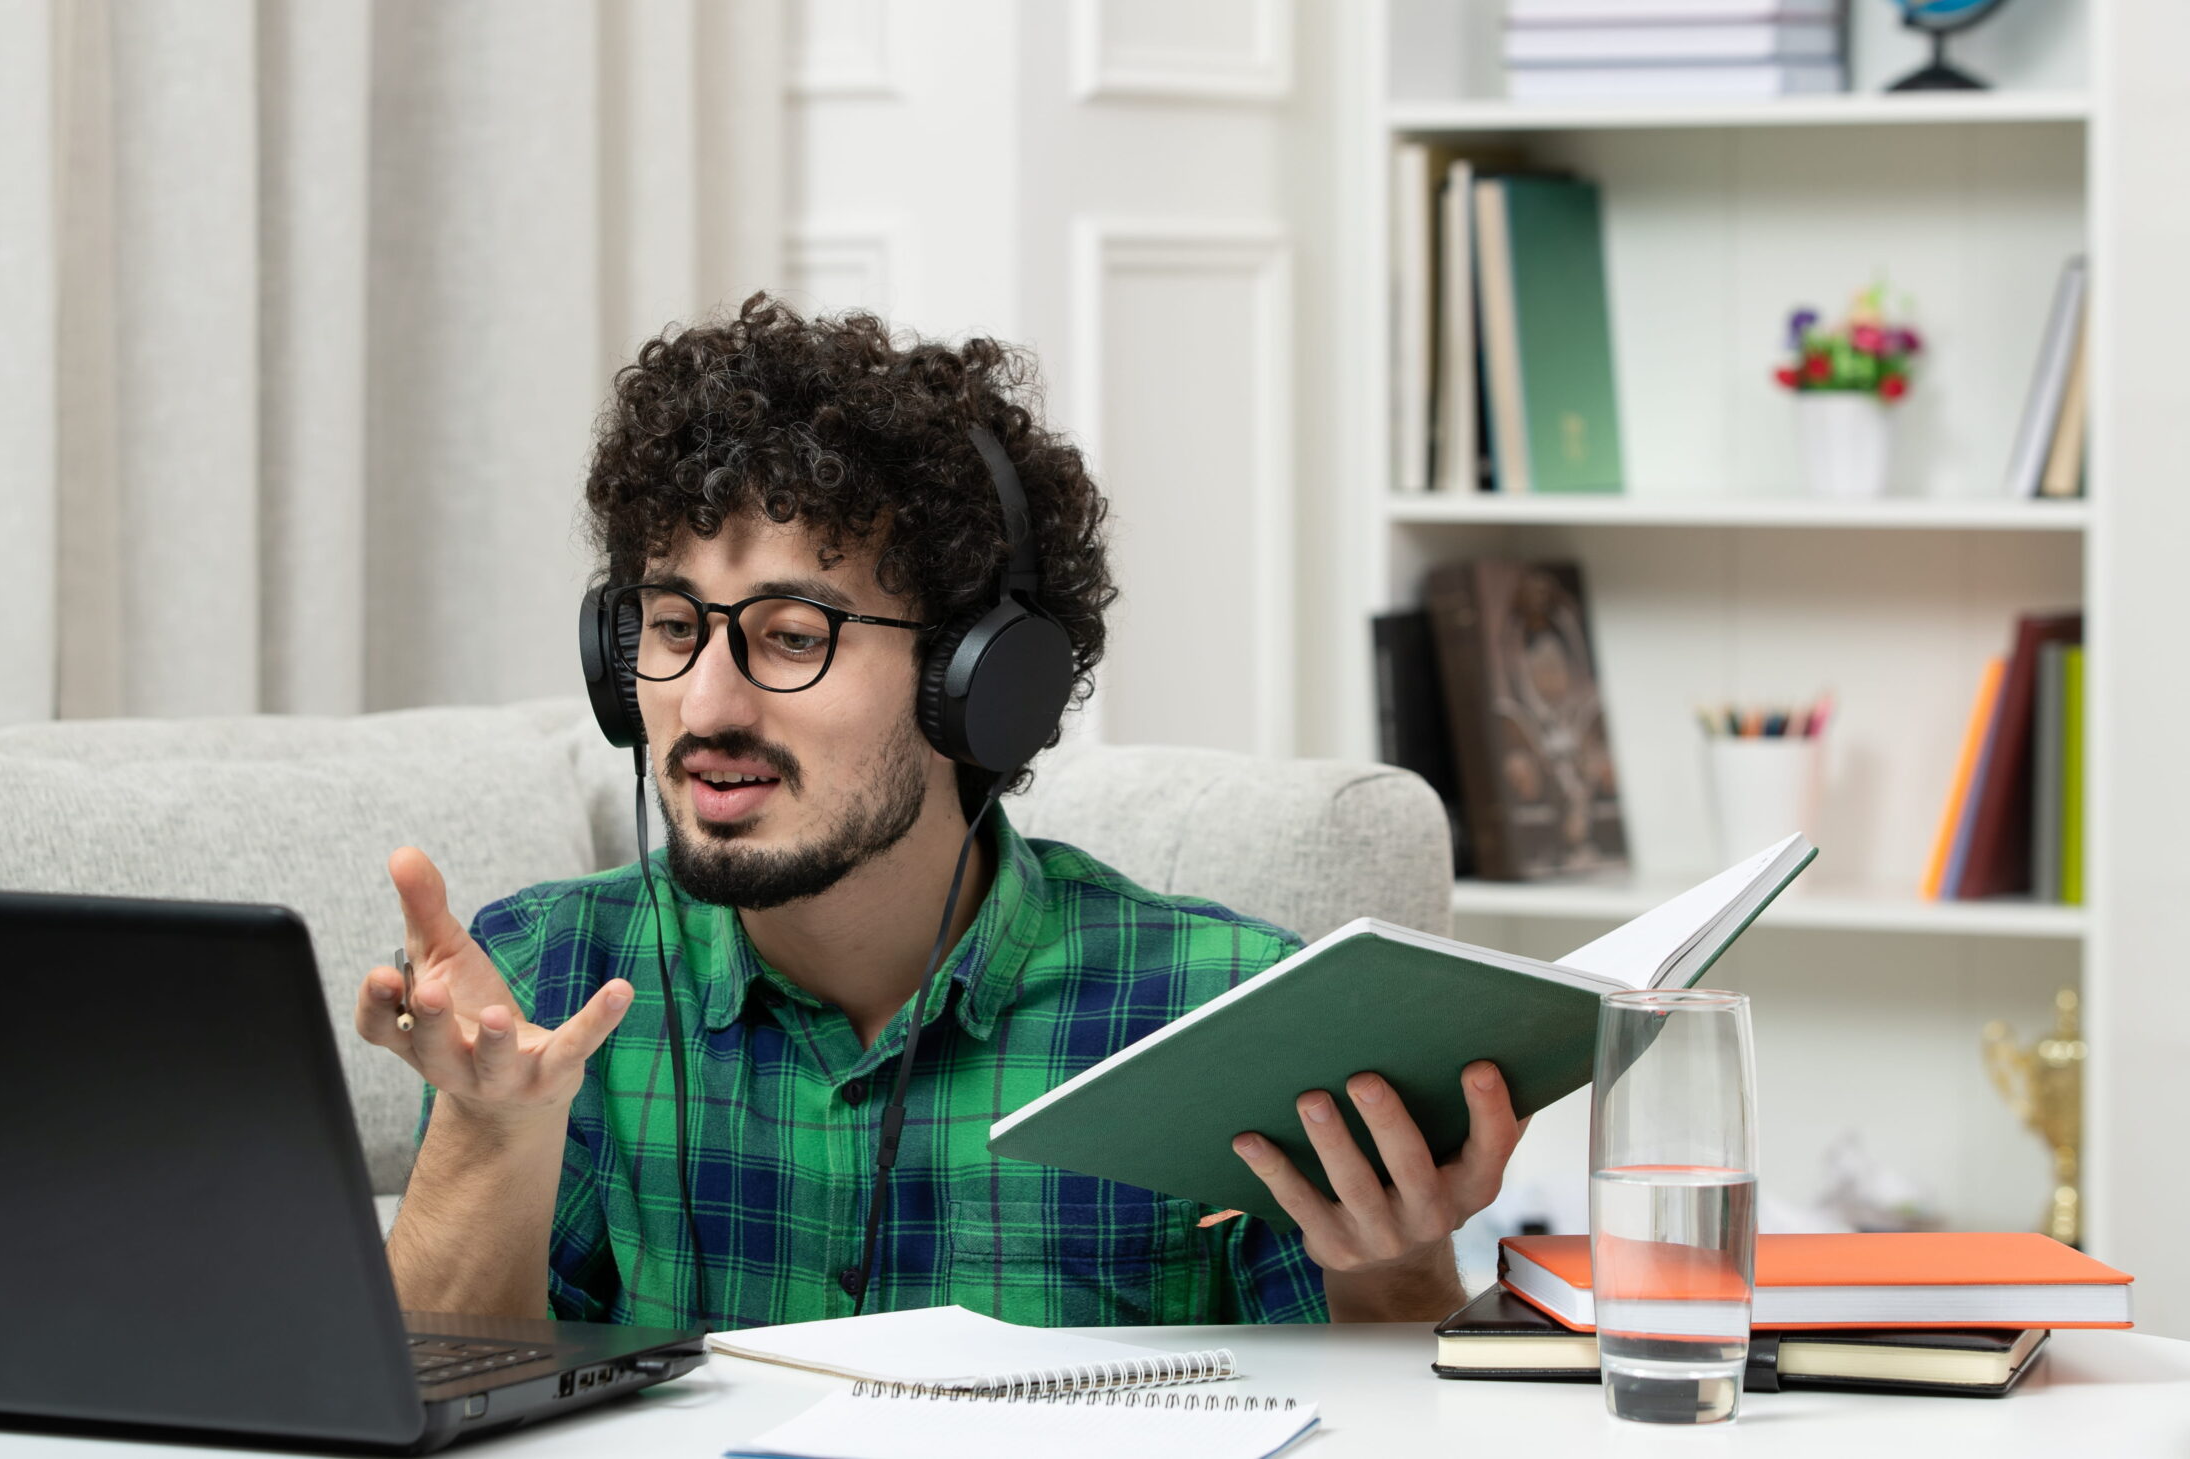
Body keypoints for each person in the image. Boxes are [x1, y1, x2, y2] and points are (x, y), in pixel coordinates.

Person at [357, 296, 1526, 1330]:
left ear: (977, 686)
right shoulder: (545, 986)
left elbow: (1368, 1409)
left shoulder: (1222, 1017)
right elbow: (440, 1408)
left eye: (793, 637)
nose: (704, 705)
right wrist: (489, 1132)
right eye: (672, 629)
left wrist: (1398, 1270)